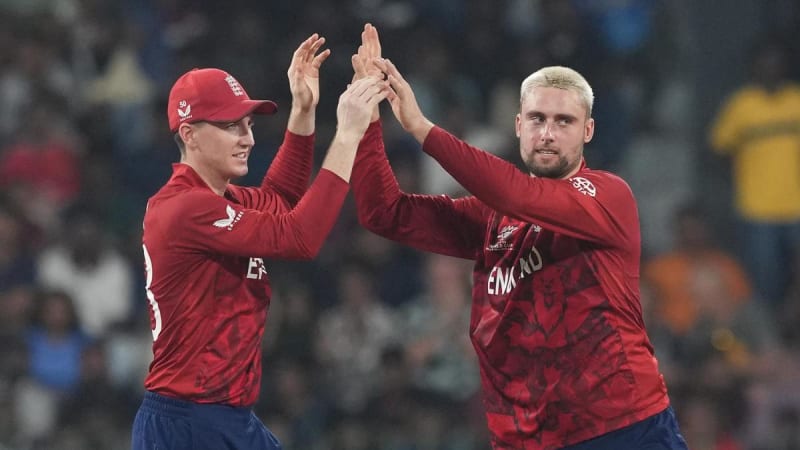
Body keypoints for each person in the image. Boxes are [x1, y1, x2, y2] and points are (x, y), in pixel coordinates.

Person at [349, 24, 688, 449]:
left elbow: (516, 192)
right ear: (518, 126)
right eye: (537, 119)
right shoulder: (490, 218)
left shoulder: (607, 195)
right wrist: (366, 119)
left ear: (588, 131)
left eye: (564, 121)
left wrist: (421, 127)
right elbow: (385, 214)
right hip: (525, 438)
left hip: (618, 426)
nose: (547, 133)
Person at [131, 34, 389, 450]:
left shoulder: (222, 199)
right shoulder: (183, 208)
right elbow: (300, 237)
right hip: (188, 422)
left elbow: (281, 202)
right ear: (190, 134)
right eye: (231, 125)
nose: (248, 138)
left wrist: (303, 110)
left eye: (248, 125)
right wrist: (346, 135)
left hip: (225, 418)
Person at [708, 35, 800, 310]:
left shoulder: (796, 101)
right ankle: (770, 340)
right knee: (765, 280)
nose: (771, 69)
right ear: (754, 67)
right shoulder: (741, 105)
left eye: (776, 63)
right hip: (756, 207)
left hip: (797, 205)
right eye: (765, 64)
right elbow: (719, 148)